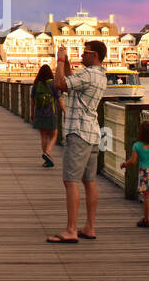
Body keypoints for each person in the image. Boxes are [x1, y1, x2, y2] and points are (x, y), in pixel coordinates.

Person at [46, 40, 108, 243]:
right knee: (89, 181)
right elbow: (73, 82)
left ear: (95, 56)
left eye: (86, 52)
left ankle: (71, 230)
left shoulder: (89, 74)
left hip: (78, 133)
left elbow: (59, 84)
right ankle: (90, 226)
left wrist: (60, 60)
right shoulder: (100, 76)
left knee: (70, 180)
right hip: (92, 133)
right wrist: (68, 64)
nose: (82, 55)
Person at [30, 64, 61, 167]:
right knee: (54, 134)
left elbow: (32, 101)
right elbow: (59, 98)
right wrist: (65, 110)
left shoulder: (36, 84)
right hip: (50, 114)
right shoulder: (53, 84)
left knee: (43, 136)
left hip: (39, 114)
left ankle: (46, 160)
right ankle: (47, 153)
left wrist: (32, 113)